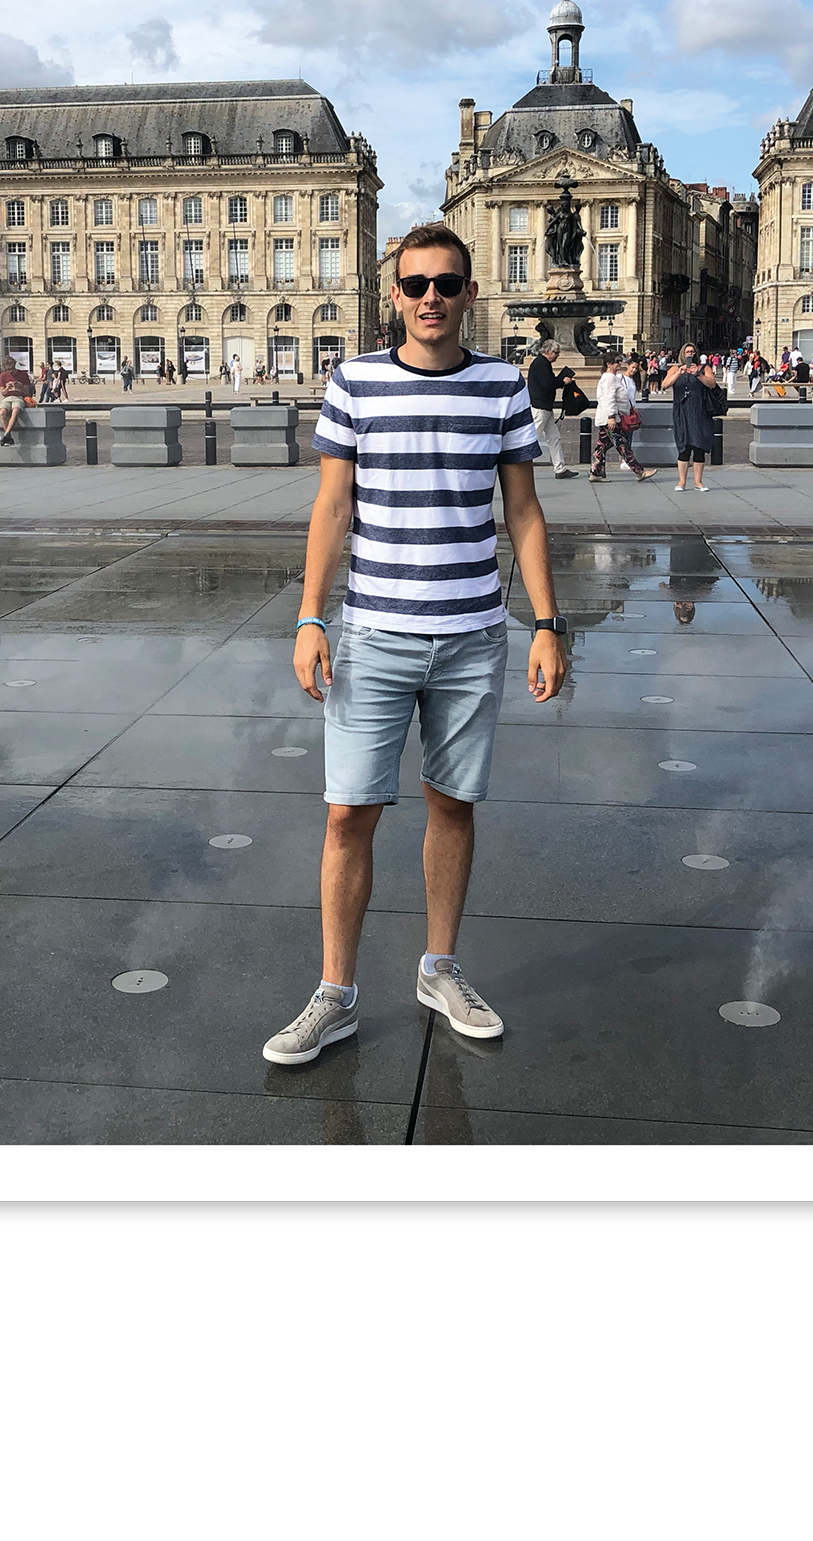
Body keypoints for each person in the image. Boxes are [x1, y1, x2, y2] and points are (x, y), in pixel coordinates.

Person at [265, 222, 565, 1068]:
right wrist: (310, 616)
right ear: (394, 295)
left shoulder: (504, 388)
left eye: (447, 283)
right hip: (374, 632)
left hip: (473, 635)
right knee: (348, 814)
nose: (431, 296)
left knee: (451, 806)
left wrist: (546, 623)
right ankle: (336, 994)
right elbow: (332, 510)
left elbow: (526, 514)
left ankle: (440, 969)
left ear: (471, 293)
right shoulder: (354, 383)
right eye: (416, 283)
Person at [590, 352, 657, 481]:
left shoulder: (609, 377)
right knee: (623, 445)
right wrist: (611, 416)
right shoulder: (610, 378)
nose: (619, 364)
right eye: (617, 362)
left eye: (620, 361)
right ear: (609, 364)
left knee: (601, 446)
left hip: (606, 418)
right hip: (610, 419)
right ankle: (639, 472)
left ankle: (596, 472)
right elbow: (609, 398)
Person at [524, 338, 580, 478]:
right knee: (532, 438)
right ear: (548, 351)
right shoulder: (541, 364)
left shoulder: (541, 363)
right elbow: (547, 384)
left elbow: (547, 383)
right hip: (540, 407)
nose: (557, 355)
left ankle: (560, 468)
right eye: (555, 352)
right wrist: (563, 381)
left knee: (554, 437)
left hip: (544, 407)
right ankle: (519, 465)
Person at [667, 347, 716, 492]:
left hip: (700, 412)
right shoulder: (676, 368)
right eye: (687, 352)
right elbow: (665, 384)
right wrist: (678, 373)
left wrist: (698, 375)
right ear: (682, 353)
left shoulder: (703, 368)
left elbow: (712, 384)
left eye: (692, 352)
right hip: (682, 411)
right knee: (684, 447)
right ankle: (681, 482)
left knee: (699, 446)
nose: (690, 354)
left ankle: (698, 482)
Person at [0, 357, 35, 444]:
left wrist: (20, 387)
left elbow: (27, 392)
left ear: (15, 365)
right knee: (2, 412)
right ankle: (8, 436)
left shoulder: (23, 375)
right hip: (7, 398)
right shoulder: (3, 375)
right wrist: (7, 388)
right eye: (8, 369)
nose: (10, 371)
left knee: (16, 410)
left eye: (12, 369)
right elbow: (3, 392)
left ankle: (6, 435)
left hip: (19, 397)